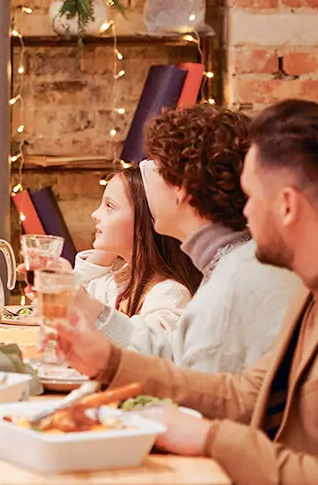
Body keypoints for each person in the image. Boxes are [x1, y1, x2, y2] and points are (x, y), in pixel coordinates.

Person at [54, 99, 318, 485]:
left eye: (251, 197)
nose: (243, 213)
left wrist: (209, 438)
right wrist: (110, 362)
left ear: (287, 206)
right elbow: (247, 392)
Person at [72, 104, 301, 373]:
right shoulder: (225, 264)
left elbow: (199, 381)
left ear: (183, 189)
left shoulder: (236, 277)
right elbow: (173, 351)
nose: (145, 175)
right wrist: (91, 311)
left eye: (157, 169)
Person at [74, 167, 203, 332]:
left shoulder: (170, 293)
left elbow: (145, 346)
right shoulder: (124, 281)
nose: (95, 214)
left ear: (143, 223)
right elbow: (74, 301)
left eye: (109, 205)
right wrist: (108, 247)